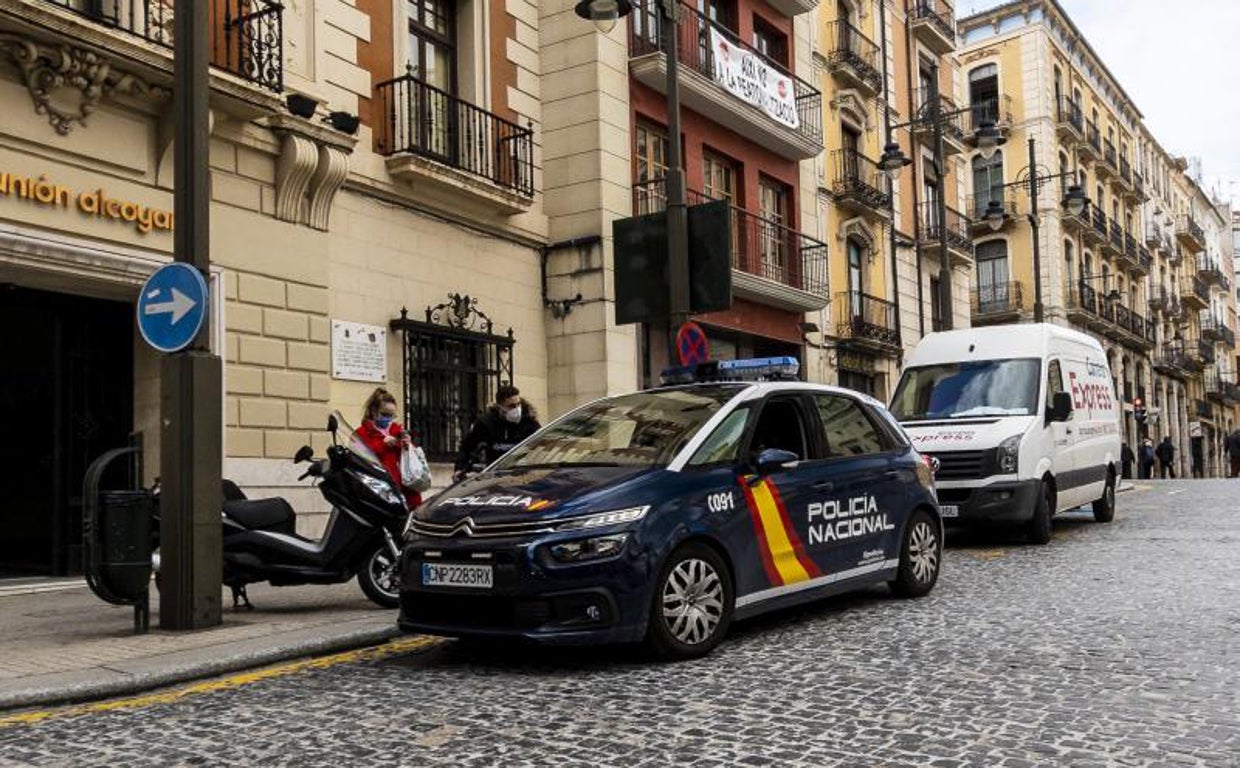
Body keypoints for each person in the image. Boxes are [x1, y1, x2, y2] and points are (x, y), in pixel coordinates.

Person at [453, 385, 541, 482]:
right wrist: (459, 468)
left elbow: (544, 444)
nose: (517, 409)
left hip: (523, 476)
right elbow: (467, 447)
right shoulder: (485, 423)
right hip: (494, 477)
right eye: (511, 406)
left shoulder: (529, 423)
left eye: (518, 404)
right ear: (500, 407)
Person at [354, 387, 422, 508]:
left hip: (404, 490)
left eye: (392, 415)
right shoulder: (362, 433)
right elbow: (359, 457)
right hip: (379, 490)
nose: (389, 419)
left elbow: (409, 458)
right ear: (374, 411)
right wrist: (383, 444)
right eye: (385, 414)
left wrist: (408, 445)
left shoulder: (397, 430)